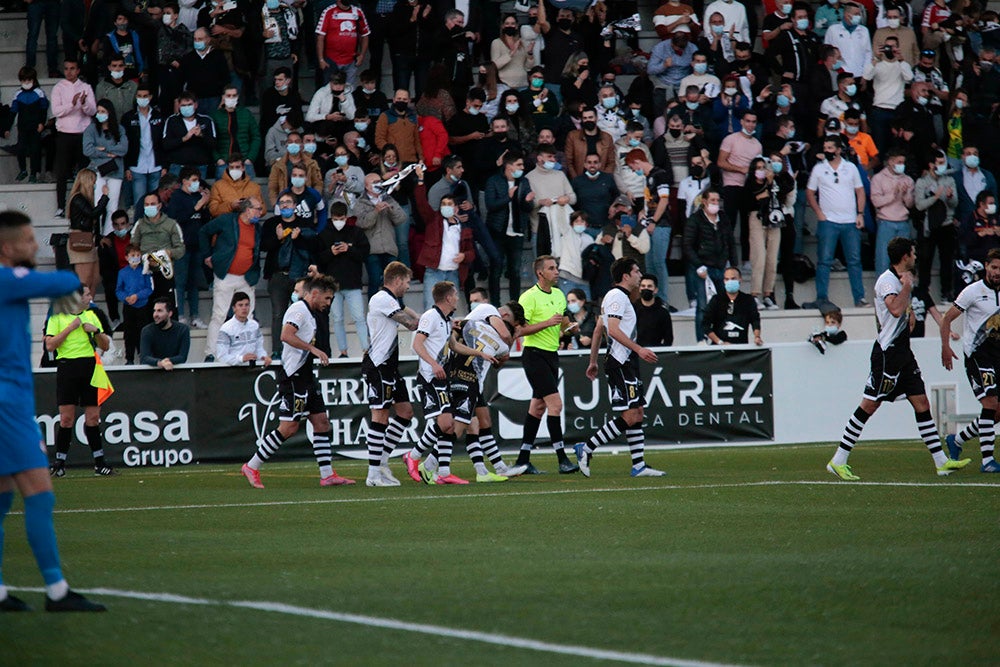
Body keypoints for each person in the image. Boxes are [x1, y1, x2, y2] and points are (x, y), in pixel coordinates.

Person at [0, 211, 107, 612]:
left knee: (2, 499)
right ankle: (57, 591)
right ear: (9, 247)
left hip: (7, 400)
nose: (34, 245)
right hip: (7, 403)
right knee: (40, 495)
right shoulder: (7, 279)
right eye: (29, 239)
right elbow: (65, 281)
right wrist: (68, 286)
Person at [827, 237, 971, 481]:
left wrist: (911, 309)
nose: (915, 257)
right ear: (905, 256)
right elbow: (893, 308)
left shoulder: (900, 279)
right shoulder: (888, 280)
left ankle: (941, 462)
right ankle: (838, 460)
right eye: (912, 253)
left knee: (922, 403)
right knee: (869, 405)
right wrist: (906, 288)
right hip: (888, 354)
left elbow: (897, 311)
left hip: (904, 353)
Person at [241, 275, 355, 488]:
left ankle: (327, 474)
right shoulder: (298, 310)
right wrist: (312, 348)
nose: (328, 303)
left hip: (306, 376)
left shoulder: (311, 312)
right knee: (289, 427)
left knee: (321, 422)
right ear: (314, 294)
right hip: (293, 377)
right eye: (327, 298)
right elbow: (286, 335)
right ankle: (252, 465)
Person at [575, 257, 665, 478]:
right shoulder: (616, 296)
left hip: (624, 361)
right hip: (621, 361)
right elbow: (612, 330)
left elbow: (598, 329)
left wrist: (593, 362)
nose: (640, 275)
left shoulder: (616, 298)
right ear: (626, 276)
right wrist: (639, 349)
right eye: (636, 271)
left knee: (638, 412)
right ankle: (586, 448)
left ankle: (638, 465)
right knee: (631, 414)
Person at [514, 255, 579, 475]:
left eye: (557, 268)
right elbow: (519, 330)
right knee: (556, 405)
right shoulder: (529, 297)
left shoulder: (560, 295)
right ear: (540, 273)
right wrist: (546, 323)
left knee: (538, 407)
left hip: (552, 355)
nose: (557, 271)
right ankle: (562, 459)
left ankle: (523, 460)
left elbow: (563, 325)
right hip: (534, 355)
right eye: (552, 268)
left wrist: (571, 330)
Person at [939, 248, 1000, 474]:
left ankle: (957, 440)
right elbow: (947, 319)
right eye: (994, 267)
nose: (997, 272)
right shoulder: (972, 292)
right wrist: (945, 347)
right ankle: (987, 461)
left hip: (997, 356)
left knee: (997, 411)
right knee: (990, 404)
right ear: (986, 266)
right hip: (977, 355)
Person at [44, 288, 114, 477]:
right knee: (66, 418)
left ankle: (100, 463)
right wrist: (70, 328)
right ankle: (59, 463)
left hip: (90, 368)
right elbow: (50, 345)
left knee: (92, 418)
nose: (90, 298)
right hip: (67, 368)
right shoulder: (57, 317)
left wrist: (97, 331)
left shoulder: (92, 315)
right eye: (87, 295)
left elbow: (105, 346)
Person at [363, 261, 419, 487]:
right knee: (380, 416)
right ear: (396, 280)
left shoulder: (392, 300)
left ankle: (382, 462)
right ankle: (373, 475)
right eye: (406, 282)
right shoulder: (381, 299)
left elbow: (414, 315)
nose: (407, 286)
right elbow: (411, 324)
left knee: (405, 412)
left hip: (389, 366)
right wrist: (437, 321)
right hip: (378, 365)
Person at [408, 281, 468, 484]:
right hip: (431, 377)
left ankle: (443, 472)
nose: (458, 298)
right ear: (449, 298)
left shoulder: (445, 320)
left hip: (442, 377)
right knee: (446, 424)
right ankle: (414, 455)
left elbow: (452, 346)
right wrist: (434, 364)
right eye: (456, 295)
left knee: (449, 427)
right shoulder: (430, 317)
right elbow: (417, 344)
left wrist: (479, 354)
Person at [804, 135, 868, 310]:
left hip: (850, 221)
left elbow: (860, 192)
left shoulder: (851, 167)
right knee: (824, 261)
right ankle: (821, 298)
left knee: (854, 261)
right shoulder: (818, 168)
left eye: (831, 148)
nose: (827, 151)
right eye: (825, 148)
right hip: (828, 222)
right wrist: (819, 213)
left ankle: (859, 298)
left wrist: (860, 214)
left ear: (839, 150)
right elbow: (810, 193)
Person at [199, 197, 263, 361]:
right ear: (247, 210)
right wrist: (207, 255)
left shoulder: (257, 228)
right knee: (219, 315)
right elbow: (204, 231)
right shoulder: (227, 220)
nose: (260, 212)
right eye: (257, 208)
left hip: (246, 278)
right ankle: (211, 353)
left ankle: (248, 353)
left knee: (248, 317)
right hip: (225, 275)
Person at [312, 201, 370, 359]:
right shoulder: (324, 233)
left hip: (353, 284)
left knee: (359, 317)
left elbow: (364, 254)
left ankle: (366, 349)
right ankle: (343, 351)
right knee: (337, 319)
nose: (339, 221)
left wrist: (349, 249)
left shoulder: (356, 232)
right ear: (331, 217)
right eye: (336, 218)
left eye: (342, 218)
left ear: (347, 217)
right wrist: (331, 252)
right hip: (332, 287)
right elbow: (318, 258)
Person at [414, 167, 476, 311]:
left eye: (449, 204)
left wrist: (464, 256)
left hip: (453, 273)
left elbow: (472, 252)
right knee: (431, 308)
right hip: (434, 272)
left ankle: (448, 335)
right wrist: (420, 181)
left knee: (449, 311)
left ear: (456, 208)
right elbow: (421, 203)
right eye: (443, 204)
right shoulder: (433, 220)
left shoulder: (464, 227)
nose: (445, 207)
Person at [684, 188, 736, 342]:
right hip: (702, 268)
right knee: (702, 306)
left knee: (723, 305)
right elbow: (687, 245)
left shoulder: (724, 219)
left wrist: (734, 267)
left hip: (721, 267)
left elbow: (730, 243)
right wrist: (698, 265)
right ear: (704, 201)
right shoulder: (695, 219)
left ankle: (720, 338)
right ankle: (701, 340)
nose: (715, 203)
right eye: (712, 200)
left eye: (717, 200)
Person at [52, 59, 97, 218]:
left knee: (84, 171)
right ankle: (60, 207)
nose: (69, 72)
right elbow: (56, 111)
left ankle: (87, 205)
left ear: (78, 70)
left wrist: (84, 103)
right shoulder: (59, 87)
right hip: (64, 134)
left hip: (82, 134)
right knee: (62, 172)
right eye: (66, 69)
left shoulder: (86, 87)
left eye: (72, 69)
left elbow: (92, 111)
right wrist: (72, 104)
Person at [914, 151, 959, 301]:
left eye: (943, 162)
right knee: (925, 260)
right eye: (939, 163)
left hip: (946, 225)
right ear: (931, 165)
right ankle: (922, 293)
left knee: (947, 260)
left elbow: (954, 204)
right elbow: (919, 205)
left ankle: (947, 292)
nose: (942, 166)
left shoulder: (950, 180)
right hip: (929, 226)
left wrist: (950, 197)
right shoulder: (921, 182)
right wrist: (935, 197)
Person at [82, 100, 128, 236]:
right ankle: (96, 236)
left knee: (112, 206)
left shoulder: (119, 129)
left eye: (103, 111)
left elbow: (123, 149)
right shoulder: (91, 129)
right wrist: (109, 154)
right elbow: (87, 150)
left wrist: (104, 149)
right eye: (98, 111)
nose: (100, 114)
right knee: (98, 205)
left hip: (116, 172)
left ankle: (108, 237)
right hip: (98, 171)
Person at [121, 84, 166, 207]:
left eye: (145, 96)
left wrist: (164, 165)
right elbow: (125, 144)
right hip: (137, 167)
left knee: (156, 204)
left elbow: (164, 143)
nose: (142, 98)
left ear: (150, 97)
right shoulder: (128, 117)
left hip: (155, 166)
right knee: (140, 204)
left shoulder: (159, 116)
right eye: (140, 96)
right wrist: (127, 167)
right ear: (136, 97)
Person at [66, 169, 109, 298]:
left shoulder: (84, 199)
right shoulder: (77, 198)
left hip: (90, 238)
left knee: (95, 278)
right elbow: (92, 214)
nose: (94, 185)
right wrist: (104, 198)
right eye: (93, 182)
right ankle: (82, 308)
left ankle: (91, 305)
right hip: (80, 238)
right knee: (85, 279)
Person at [315, 0, 369, 87]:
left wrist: (362, 55)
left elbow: (365, 35)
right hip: (331, 61)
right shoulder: (328, 11)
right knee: (329, 91)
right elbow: (320, 37)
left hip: (351, 61)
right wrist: (321, 59)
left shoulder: (358, 12)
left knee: (349, 91)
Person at [703, 266, 762, 346]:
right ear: (724, 281)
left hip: (741, 348)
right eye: (727, 279)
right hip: (719, 349)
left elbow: (755, 320)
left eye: (733, 278)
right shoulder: (716, 300)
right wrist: (720, 342)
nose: (730, 281)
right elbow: (705, 324)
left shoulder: (748, 300)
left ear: (740, 279)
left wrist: (757, 337)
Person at [115, 244, 153, 364]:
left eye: (137, 255)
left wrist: (137, 296)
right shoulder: (122, 272)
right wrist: (126, 298)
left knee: (143, 331)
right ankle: (129, 358)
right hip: (129, 306)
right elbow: (118, 290)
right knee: (129, 333)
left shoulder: (146, 271)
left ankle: (144, 355)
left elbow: (149, 288)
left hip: (143, 306)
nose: (135, 257)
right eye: (132, 255)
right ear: (126, 257)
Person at [216, 291, 270, 367]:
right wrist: (241, 359)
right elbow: (222, 356)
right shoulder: (226, 329)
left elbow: (259, 347)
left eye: (246, 305)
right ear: (234, 308)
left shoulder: (254, 325)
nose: (244, 308)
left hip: (253, 368)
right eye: (240, 305)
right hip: (234, 370)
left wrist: (263, 356)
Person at [140, 298, 190, 369]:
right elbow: (144, 357)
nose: (155, 315)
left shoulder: (183, 330)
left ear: (170, 313)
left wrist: (168, 361)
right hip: (152, 373)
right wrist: (160, 363)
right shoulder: (147, 331)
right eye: (154, 311)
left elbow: (182, 357)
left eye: (159, 311)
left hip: (176, 372)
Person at [636, 274, 674, 347]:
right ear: (639, 289)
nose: (646, 288)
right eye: (643, 286)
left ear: (656, 290)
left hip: (657, 353)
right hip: (636, 353)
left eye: (649, 286)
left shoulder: (663, 313)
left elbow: (668, 338)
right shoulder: (632, 310)